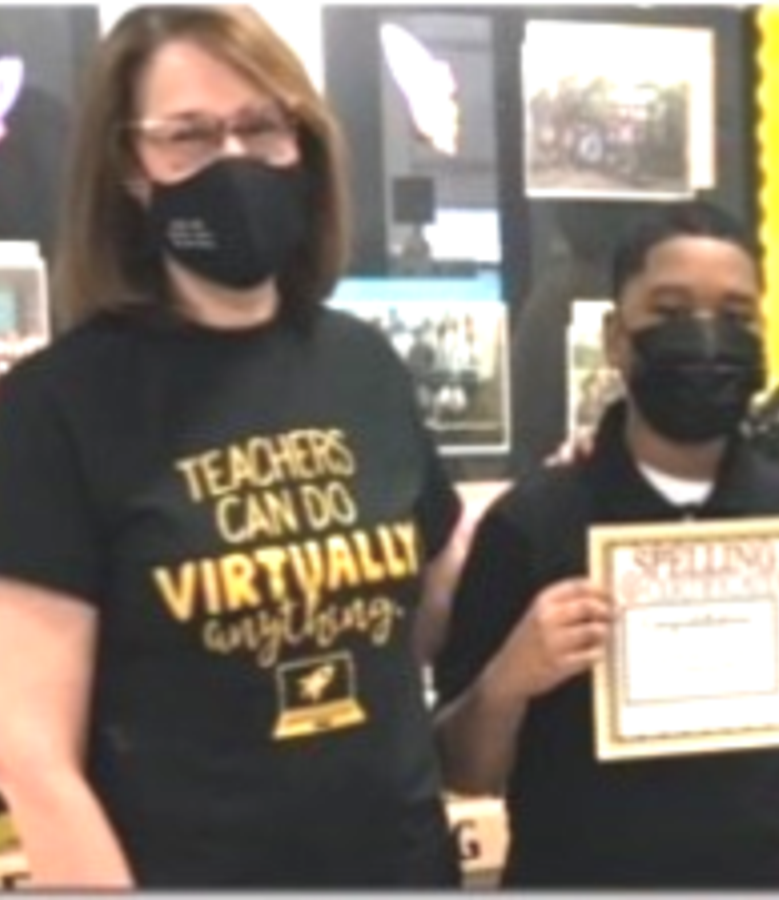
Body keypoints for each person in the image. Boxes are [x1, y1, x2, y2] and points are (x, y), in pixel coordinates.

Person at [0, 6, 462, 887]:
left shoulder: (362, 364)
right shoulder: (53, 409)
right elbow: (30, 755)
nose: (235, 159)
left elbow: (424, 611)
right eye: (189, 136)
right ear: (128, 168)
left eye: (260, 126)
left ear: (303, 141)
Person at [432, 200, 779, 887]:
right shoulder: (531, 526)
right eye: (669, 312)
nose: (705, 336)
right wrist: (511, 677)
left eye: (735, 315)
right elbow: (466, 769)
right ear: (616, 338)